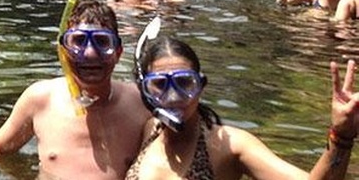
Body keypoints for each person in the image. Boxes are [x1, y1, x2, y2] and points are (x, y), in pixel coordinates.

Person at [0, 0, 149, 178]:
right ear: (63, 51)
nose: (89, 53)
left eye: (102, 42)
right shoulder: (41, 99)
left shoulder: (141, 103)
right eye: (78, 41)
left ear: (119, 52)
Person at [128, 35, 359, 180]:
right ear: (145, 92)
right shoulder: (150, 129)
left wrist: (341, 135)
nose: (173, 95)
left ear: (201, 86)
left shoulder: (230, 146)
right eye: (159, 85)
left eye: (184, 83)